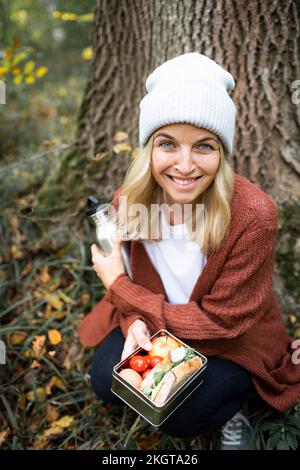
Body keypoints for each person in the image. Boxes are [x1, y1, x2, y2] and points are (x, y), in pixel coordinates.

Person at [77, 52, 300, 450]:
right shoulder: (131, 202)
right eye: (168, 144)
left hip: (228, 339)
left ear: (222, 152)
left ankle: (240, 409)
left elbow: (221, 326)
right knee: (107, 380)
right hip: (162, 324)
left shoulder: (252, 215)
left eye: (203, 146)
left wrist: (119, 287)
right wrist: (135, 324)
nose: (184, 165)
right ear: (150, 148)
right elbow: (133, 280)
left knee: (184, 415)